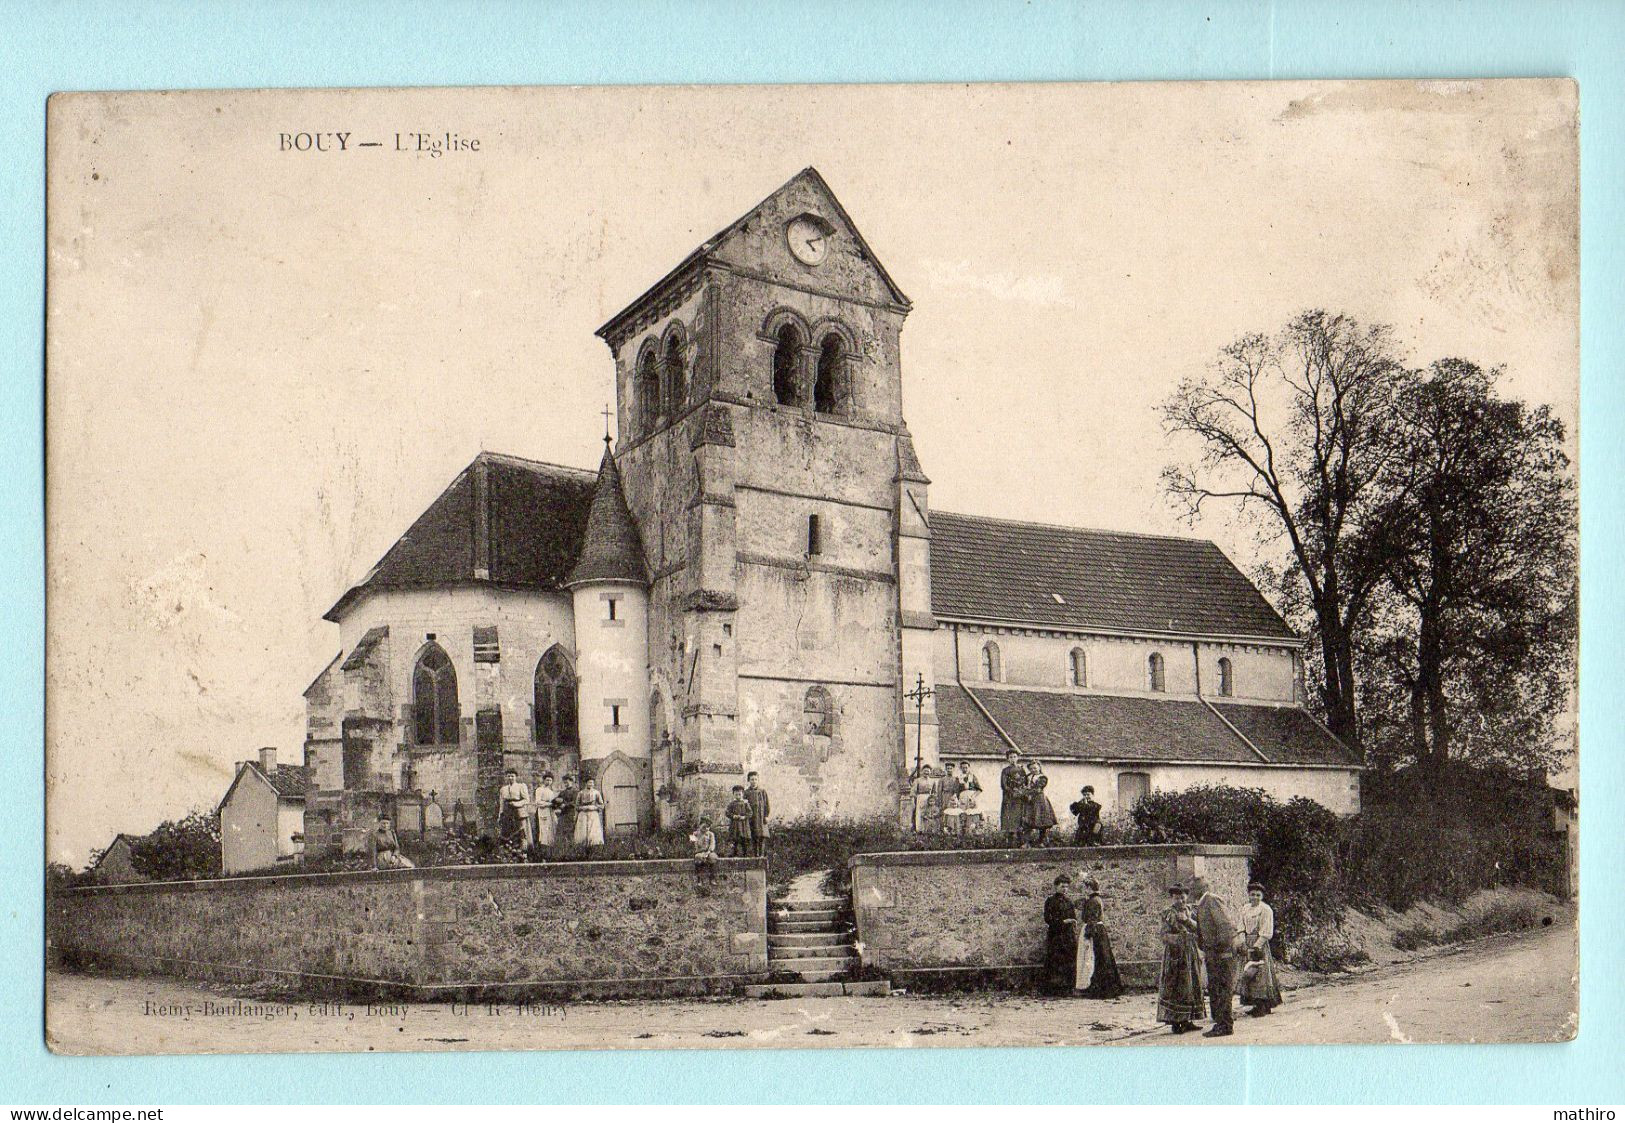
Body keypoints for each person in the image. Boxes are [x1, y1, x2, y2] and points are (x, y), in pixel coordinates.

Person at [1192, 874, 1245, 1037]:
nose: (1191, 892)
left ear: (1201, 888)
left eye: (1193, 888)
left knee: (1223, 989)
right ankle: (1221, 1023)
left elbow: (1226, 926)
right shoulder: (1202, 904)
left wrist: (1221, 950)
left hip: (1222, 954)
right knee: (1215, 989)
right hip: (1213, 954)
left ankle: (1225, 1025)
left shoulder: (1212, 900)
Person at [1156, 883, 1206, 1034]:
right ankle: (1176, 1022)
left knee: (1191, 985)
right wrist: (1180, 939)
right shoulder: (1168, 914)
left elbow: (1199, 929)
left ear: (1187, 897)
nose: (1180, 901)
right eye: (1177, 898)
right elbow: (1164, 936)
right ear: (1172, 898)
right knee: (1177, 986)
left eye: (1183, 897)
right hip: (1175, 956)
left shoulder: (1192, 911)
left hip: (1190, 953)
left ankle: (1188, 1019)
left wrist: (1186, 921)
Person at [1238, 881, 1284, 1016]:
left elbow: (1266, 932)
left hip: (1259, 945)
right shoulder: (1245, 908)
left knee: (1261, 975)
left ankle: (1263, 1005)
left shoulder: (1265, 909)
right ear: (1248, 895)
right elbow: (1241, 926)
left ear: (1262, 896)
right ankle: (1255, 1004)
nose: (1255, 898)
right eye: (1252, 895)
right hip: (1247, 943)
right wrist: (1243, 941)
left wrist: (1256, 946)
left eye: (1258, 895)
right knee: (1249, 974)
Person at [1075, 875, 1124, 998]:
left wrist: (1088, 935)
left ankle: (1097, 988)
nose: (1084, 891)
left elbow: (1092, 919)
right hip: (1099, 930)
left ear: (1090, 888)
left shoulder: (1092, 901)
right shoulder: (1097, 899)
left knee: (1093, 958)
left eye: (1085, 888)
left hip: (1094, 931)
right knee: (1101, 958)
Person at [1040, 874, 1078, 995]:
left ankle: (1067, 988)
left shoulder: (1069, 902)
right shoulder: (1050, 901)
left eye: (1067, 887)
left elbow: (1073, 917)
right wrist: (1061, 922)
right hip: (1056, 935)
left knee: (1069, 960)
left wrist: (1072, 922)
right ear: (1056, 887)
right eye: (1062, 886)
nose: (1065, 889)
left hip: (1068, 936)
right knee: (1055, 961)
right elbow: (1047, 918)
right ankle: (1053, 989)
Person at [496, 769, 532, 851]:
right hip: (507, 812)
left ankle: (522, 851)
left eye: (512, 776)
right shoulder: (503, 789)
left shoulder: (521, 786)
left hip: (518, 812)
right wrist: (500, 814)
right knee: (507, 831)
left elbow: (526, 800)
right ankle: (508, 852)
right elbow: (501, 803)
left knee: (521, 832)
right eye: (508, 776)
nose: (510, 778)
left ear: (516, 777)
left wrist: (516, 804)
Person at [999, 750, 1027, 840]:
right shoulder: (1005, 770)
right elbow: (1004, 785)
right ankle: (1010, 837)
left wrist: (1021, 791)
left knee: (1020, 815)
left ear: (1017, 758)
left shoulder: (1022, 770)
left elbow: (1025, 782)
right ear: (1008, 759)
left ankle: (1020, 837)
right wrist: (1012, 792)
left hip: (1020, 797)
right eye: (1011, 757)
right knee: (1009, 816)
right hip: (1009, 797)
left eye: (1015, 757)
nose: (1013, 759)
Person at [572, 777, 605, 848]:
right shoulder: (581, 793)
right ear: (586, 783)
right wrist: (582, 808)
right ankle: (582, 846)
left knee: (593, 831)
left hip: (593, 814)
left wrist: (594, 807)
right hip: (583, 814)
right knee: (582, 831)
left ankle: (594, 846)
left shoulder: (596, 793)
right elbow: (577, 805)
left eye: (592, 783)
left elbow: (602, 805)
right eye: (589, 782)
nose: (591, 784)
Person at [1026, 773, 1058, 846]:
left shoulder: (1042, 777)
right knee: (1028, 821)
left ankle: (1041, 841)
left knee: (1043, 821)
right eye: (1031, 769)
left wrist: (1029, 790)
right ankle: (1027, 842)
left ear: (1039, 768)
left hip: (1040, 801)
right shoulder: (1029, 776)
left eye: (1035, 768)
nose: (1033, 770)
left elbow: (1038, 789)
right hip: (1031, 802)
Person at [744, 771, 771, 857]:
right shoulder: (746, 792)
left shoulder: (762, 791)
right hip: (752, 819)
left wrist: (766, 815)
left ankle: (761, 856)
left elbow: (767, 804)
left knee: (762, 837)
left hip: (761, 818)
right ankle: (755, 856)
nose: (754, 781)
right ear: (749, 780)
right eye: (752, 779)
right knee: (753, 837)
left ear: (758, 780)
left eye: (756, 779)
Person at [689, 817, 719, 894]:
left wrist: (708, 852)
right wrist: (698, 852)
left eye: (708, 827)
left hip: (709, 851)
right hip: (699, 852)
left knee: (713, 857)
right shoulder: (695, 834)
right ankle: (699, 879)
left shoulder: (711, 834)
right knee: (698, 858)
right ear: (700, 826)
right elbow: (693, 845)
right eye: (704, 827)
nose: (706, 829)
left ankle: (712, 878)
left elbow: (712, 844)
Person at [724, 784, 753, 857]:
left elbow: (750, 813)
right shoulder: (732, 804)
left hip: (743, 825)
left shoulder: (745, 804)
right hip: (735, 825)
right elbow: (727, 813)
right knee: (735, 839)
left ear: (742, 794)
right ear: (733, 795)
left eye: (739, 794)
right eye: (736, 794)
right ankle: (734, 853)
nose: (738, 796)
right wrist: (733, 816)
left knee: (744, 839)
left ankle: (745, 853)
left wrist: (744, 817)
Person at [532, 771, 558, 849]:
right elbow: (538, 802)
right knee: (542, 831)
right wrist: (549, 804)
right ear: (544, 780)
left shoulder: (551, 792)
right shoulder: (539, 789)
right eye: (547, 780)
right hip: (542, 812)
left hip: (550, 812)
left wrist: (555, 804)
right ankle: (541, 849)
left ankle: (549, 849)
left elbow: (553, 802)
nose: (549, 782)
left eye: (550, 780)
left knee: (550, 830)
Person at [553, 775, 579, 847]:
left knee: (570, 830)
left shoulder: (575, 792)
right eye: (564, 783)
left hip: (571, 813)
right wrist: (556, 801)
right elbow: (556, 801)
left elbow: (575, 802)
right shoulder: (562, 792)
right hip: (562, 814)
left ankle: (571, 847)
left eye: (567, 782)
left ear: (571, 782)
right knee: (561, 830)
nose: (566, 784)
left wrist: (565, 804)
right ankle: (562, 847)